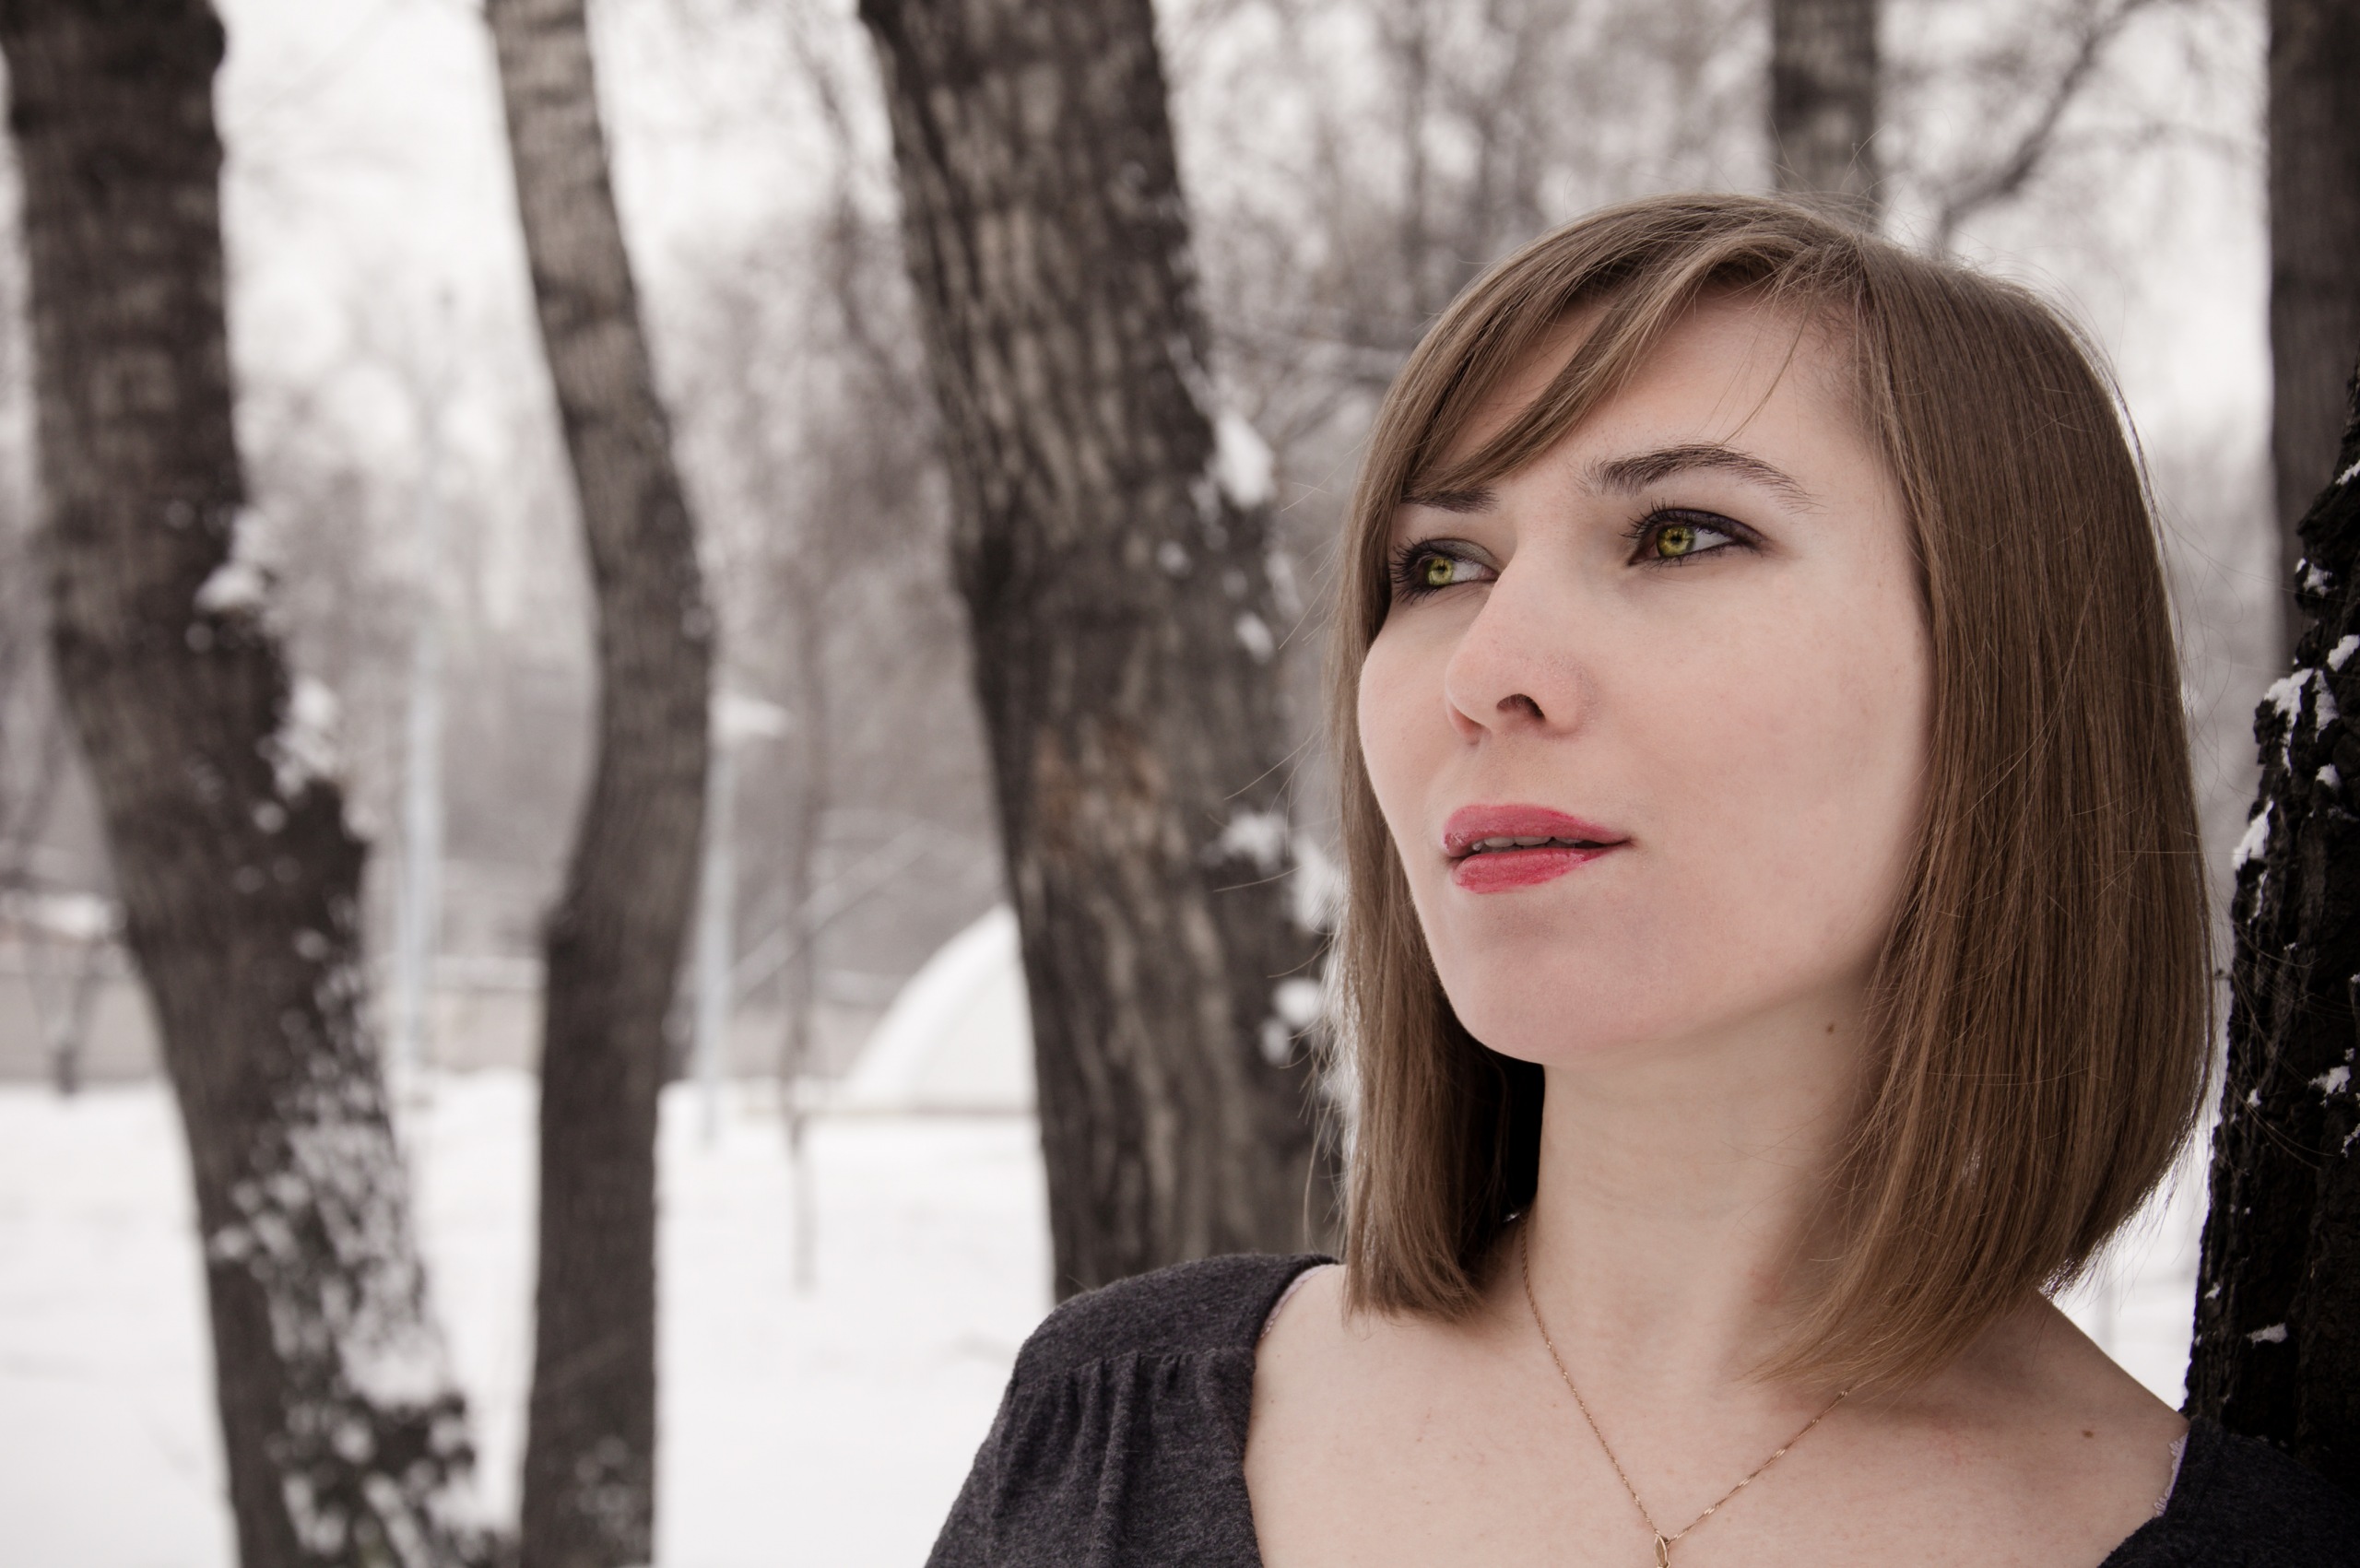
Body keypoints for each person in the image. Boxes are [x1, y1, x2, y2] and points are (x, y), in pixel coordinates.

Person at [925, 194, 2360, 1567]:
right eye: (1441, 565)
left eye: (1680, 534)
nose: (1488, 668)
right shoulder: (1102, 1447)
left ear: (2009, 668)